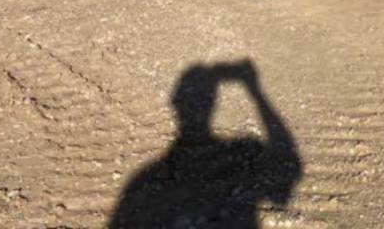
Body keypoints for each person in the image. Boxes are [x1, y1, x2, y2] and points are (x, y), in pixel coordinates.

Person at [110, 60, 300, 229]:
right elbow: (287, 174)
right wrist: (255, 91)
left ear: (175, 105)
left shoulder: (142, 180)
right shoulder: (246, 148)